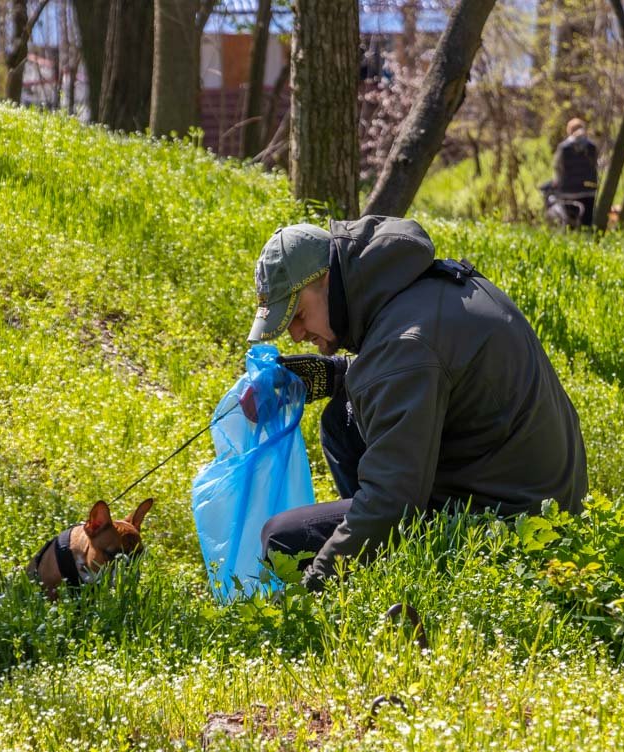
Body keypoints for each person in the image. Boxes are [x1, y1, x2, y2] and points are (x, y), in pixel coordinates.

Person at [251, 217, 587, 591]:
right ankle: (376, 559)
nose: (297, 334)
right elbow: (434, 365)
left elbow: (390, 501)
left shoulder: (404, 349)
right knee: (341, 420)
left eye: (298, 315)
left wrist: (315, 587)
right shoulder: (417, 286)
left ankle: (376, 575)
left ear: (327, 279)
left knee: (282, 538)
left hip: (510, 530)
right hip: (539, 495)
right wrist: (340, 374)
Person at [548, 117, 599, 226]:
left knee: (570, 222)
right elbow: (595, 165)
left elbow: (557, 168)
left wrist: (557, 183)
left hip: (568, 191)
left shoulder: (563, 148)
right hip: (589, 190)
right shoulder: (592, 147)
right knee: (587, 222)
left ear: (569, 131)